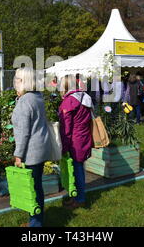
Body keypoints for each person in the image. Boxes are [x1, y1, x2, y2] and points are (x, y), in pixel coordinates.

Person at [12, 67, 51, 227]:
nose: (14, 82)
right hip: (40, 148)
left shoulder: (25, 101)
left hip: (31, 152)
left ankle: (35, 224)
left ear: (23, 81)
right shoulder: (37, 97)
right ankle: (36, 220)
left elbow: (23, 132)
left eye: (17, 79)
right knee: (37, 187)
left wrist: (18, 154)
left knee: (32, 189)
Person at [58, 74, 93, 210]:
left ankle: (79, 199)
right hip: (84, 136)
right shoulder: (84, 96)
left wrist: (64, 146)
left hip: (75, 139)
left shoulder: (69, 101)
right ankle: (77, 196)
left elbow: (66, 128)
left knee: (77, 170)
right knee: (79, 168)